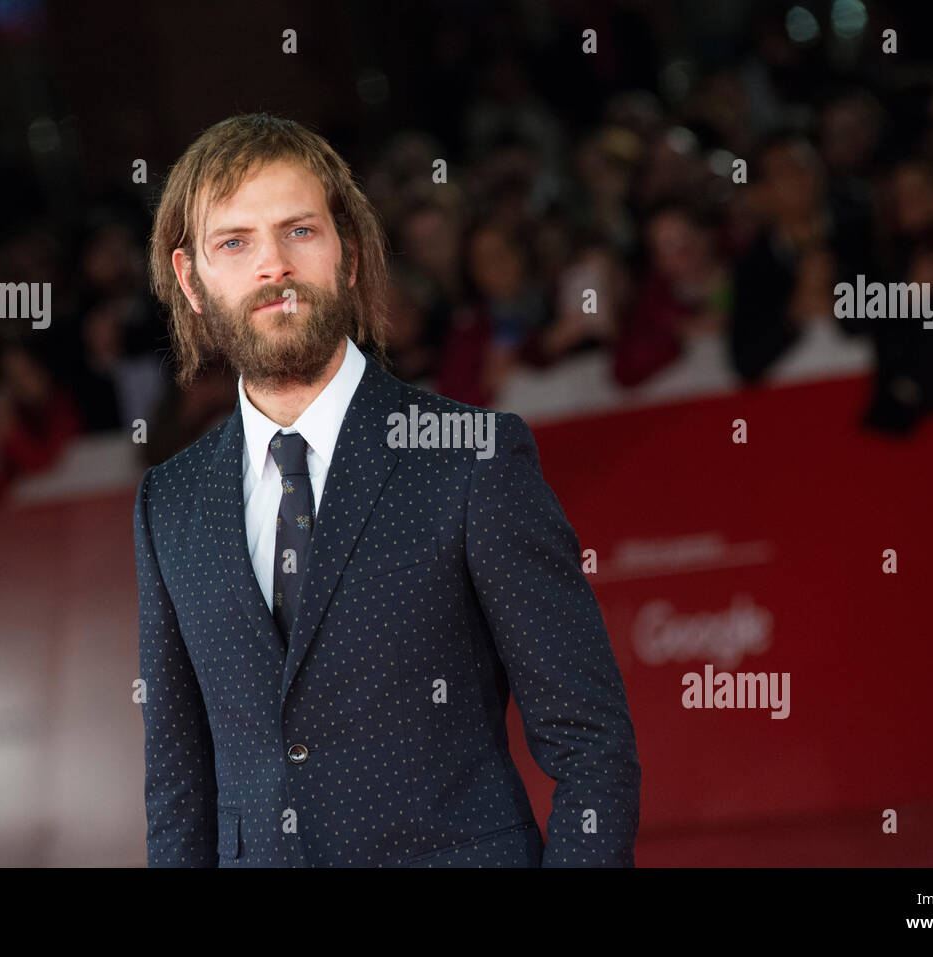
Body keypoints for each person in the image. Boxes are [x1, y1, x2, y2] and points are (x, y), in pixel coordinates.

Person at [138, 113, 640, 867]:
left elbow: (592, 744)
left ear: (348, 253)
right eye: (234, 242)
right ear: (192, 279)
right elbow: (177, 791)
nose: (272, 265)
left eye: (299, 230)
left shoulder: (473, 458)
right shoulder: (167, 504)